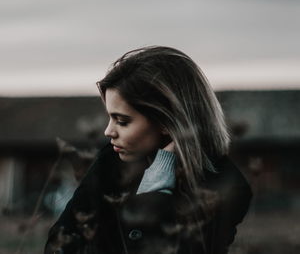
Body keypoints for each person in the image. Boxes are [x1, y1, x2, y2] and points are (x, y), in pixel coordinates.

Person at [44, 46, 252, 254]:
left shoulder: (225, 188)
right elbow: (58, 245)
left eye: (122, 121)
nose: (108, 131)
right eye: (110, 117)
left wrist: (156, 184)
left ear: (166, 121)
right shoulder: (110, 163)